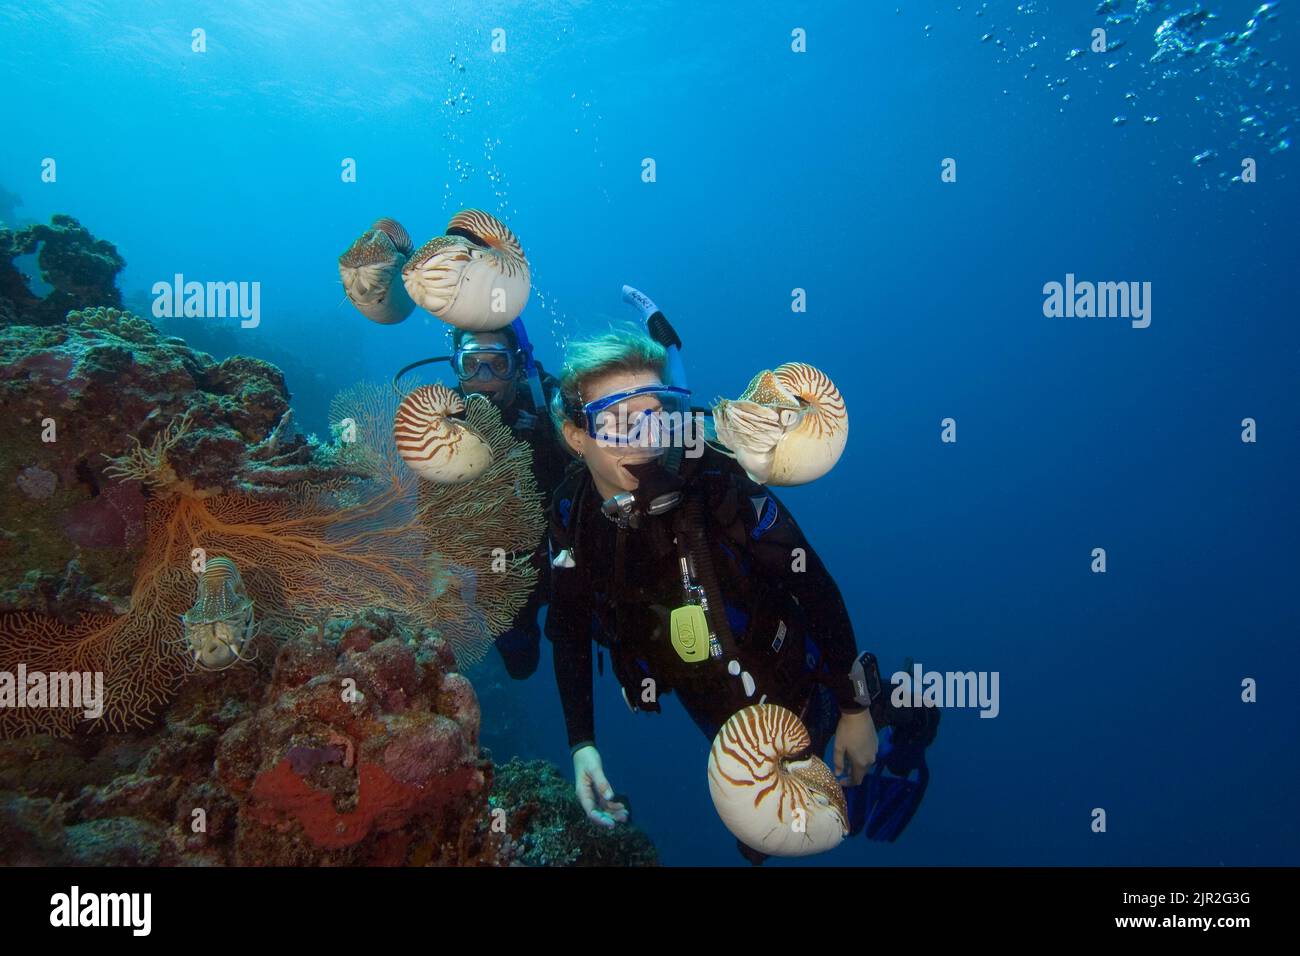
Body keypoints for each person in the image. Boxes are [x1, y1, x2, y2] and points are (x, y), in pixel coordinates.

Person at [543, 329, 939, 862]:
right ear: (575, 435)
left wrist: (854, 708)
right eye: (616, 421)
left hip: (806, 677)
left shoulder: (715, 477)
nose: (644, 437)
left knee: (899, 715)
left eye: (657, 413)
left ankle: (908, 721)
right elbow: (567, 625)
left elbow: (812, 581)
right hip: (725, 723)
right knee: (758, 844)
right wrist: (582, 744)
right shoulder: (572, 516)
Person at [448, 325, 571, 679]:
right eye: (471, 363)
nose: (483, 375)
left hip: (564, 554)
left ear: (518, 367)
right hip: (500, 570)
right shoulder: (444, 419)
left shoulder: (548, 403)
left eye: (497, 364)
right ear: (456, 367)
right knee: (521, 664)